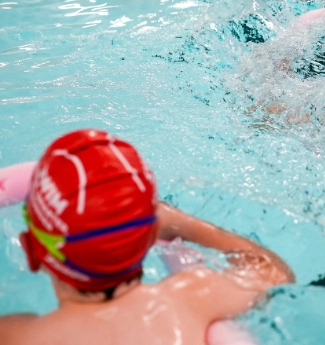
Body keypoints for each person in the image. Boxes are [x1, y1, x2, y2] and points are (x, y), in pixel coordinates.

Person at [0, 129, 295, 344]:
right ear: (150, 235)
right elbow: (273, 271)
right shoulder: (193, 298)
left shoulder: (18, 334)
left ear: (31, 250)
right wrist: (177, 222)